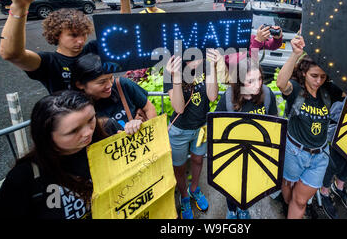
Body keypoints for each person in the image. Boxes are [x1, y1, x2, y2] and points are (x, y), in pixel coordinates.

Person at [0, 0, 137, 93]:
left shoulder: (92, 49)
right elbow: (12, 54)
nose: (81, 40)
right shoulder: (48, 62)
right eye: (73, 35)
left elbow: (122, 35)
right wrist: (19, 7)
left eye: (83, 34)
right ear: (56, 35)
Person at [0, 90, 110, 219]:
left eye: (91, 119)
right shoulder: (24, 177)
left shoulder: (106, 141)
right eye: (74, 130)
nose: (87, 132)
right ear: (47, 136)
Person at [276, 36, 344, 219]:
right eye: (314, 76)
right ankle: (285, 202)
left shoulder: (329, 91)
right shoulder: (296, 89)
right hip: (294, 152)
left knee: (300, 201)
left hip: (319, 157)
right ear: (305, 72)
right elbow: (281, 84)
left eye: (323, 76)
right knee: (288, 193)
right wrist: (295, 54)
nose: (318, 81)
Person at [214, 58, 279, 219]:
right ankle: (232, 210)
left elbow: (274, 124)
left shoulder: (267, 95)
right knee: (231, 187)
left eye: (259, 79)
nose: (258, 85)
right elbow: (216, 127)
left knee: (249, 186)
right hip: (233, 155)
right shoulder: (228, 99)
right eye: (250, 81)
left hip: (257, 154)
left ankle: (243, 208)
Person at [164, 50, 220, 219]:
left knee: (197, 160)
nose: (196, 62)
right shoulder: (172, 71)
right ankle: (184, 196)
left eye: (199, 57)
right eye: (191, 59)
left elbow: (212, 96)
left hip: (202, 127)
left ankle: (194, 188)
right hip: (179, 131)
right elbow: (179, 108)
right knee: (179, 167)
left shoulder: (206, 67)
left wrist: (213, 67)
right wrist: (175, 77)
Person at [71, 53, 157, 135]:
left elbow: (149, 108)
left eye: (111, 77)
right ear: (80, 85)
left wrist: (151, 131)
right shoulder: (76, 109)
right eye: (102, 82)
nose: (110, 85)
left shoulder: (122, 85)